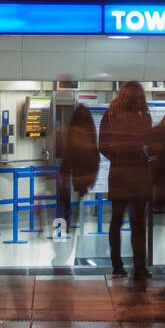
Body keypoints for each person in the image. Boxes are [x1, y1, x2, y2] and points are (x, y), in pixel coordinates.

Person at [99, 81, 153, 281]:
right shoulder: (143, 116)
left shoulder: (110, 115)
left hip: (119, 174)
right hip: (139, 173)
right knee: (138, 223)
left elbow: (102, 145)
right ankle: (140, 267)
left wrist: (118, 157)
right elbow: (148, 143)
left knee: (116, 220)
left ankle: (117, 266)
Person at [53, 96, 100, 264]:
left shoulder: (72, 134)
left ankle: (60, 243)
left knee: (63, 213)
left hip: (69, 181)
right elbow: (95, 158)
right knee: (78, 215)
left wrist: (64, 174)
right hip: (81, 182)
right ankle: (74, 249)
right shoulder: (89, 136)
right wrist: (90, 179)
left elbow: (67, 156)